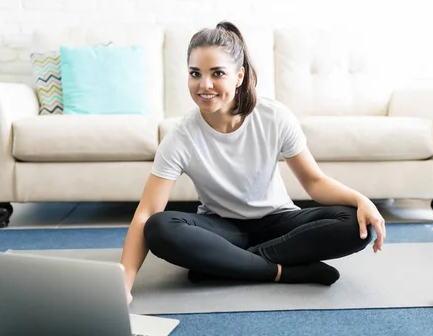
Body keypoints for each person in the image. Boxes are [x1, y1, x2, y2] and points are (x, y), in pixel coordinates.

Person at [120, 21, 386, 304]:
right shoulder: (181, 137)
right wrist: (123, 284)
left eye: (217, 73)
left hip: (278, 222)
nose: (204, 85)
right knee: (160, 227)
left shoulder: (274, 117)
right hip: (220, 229)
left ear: (238, 76)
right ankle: (280, 271)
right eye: (195, 73)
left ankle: (225, 265)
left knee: (356, 225)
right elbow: (147, 212)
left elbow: (314, 182)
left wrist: (361, 200)